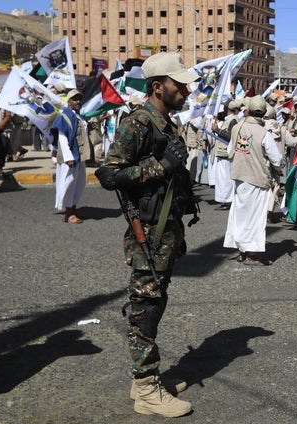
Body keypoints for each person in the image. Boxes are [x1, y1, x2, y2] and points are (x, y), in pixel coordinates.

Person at [95, 52, 199, 417]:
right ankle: (145, 387)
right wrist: (162, 165)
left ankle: (147, 380)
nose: (186, 90)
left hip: (166, 229)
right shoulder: (138, 122)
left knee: (155, 302)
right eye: (179, 84)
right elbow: (109, 176)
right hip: (148, 232)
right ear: (158, 86)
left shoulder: (166, 123)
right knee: (144, 307)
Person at [223, 95, 283, 265]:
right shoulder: (264, 133)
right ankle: (252, 253)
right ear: (263, 113)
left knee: (240, 214)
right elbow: (277, 160)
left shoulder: (237, 128)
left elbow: (230, 151)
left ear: (247, 110)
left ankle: (242, 249)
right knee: (255, 217)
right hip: (257, 178)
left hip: (239, 177)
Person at [51, 89, 88, 223]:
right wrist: (68, 157)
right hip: (71, 158)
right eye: (75, 99)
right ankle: (68, 214)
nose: (78, 101)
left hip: (79, 156)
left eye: (79, 98)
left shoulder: (78, 116)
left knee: (79, 183)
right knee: (69, 183)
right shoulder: (64, 116)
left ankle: (73, 209)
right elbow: (62, 138)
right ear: (69, 101)